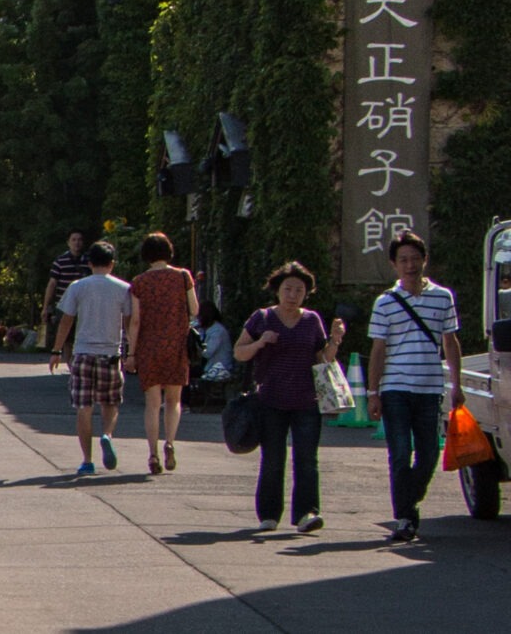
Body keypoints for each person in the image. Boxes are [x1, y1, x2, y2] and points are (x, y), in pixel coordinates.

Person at [234, 261, 345, 533]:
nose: (293, 295)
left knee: (307, 460)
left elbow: (322, 359)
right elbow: (239, 351)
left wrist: (335, 341)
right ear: (277, 290)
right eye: (288, 289)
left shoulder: (311, 320)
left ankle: (306, 513)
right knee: (273, 459)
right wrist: (260, 343)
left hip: (306, 400)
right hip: (270, 400)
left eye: (299, 290)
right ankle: (269, 515)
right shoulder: (262, 318)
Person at [366, 229, 462, 544]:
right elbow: (378, 349)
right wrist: (373, 392)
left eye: (415, 258)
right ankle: (405, 517)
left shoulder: (442, 296)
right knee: (399, 453)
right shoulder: (385, 302)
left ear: (424, 260)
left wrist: (456, 384)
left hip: (430, 386)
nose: (410, 265)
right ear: (394, 264)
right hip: (395, 387)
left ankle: (410, 497)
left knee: (430, 453)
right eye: (403, 259)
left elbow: (450, 341)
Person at [49, 240, 134, 475]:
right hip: (110, 353)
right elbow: (129, 323)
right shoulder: (124, 289)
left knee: (83, 407)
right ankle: (106, 435)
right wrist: (133, 352)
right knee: (111, 402)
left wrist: (57, 350)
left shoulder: (78, 286)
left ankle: (87, 460)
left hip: (83, 353)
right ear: (112, 263)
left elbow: (66, 320)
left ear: (89, 263)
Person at [125, 232, 197, 474]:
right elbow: (195, 309)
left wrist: (131, 354)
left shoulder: (139, 282)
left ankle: (153, 454)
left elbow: (135, 321)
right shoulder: (182, 276)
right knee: (173, 401)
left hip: (148, 347)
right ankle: (170, 443)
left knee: (152, 404)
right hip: (175, 345)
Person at [40, 229, 91, 343]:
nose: (76, 242)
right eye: (73, 240)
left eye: (79, 240)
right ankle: (68, 361)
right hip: (64, 304)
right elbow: (52, 283)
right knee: (66, 338)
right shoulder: (60, 261)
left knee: (81, 336)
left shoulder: (89, 261)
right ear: (68, 242)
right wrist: (45, 307)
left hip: (84, 305)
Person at [198, 295, 235, 385]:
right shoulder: (206, 329)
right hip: (210, 365)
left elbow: (208, 353)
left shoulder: (217, 331)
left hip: (219, 367)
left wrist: (197, 349)